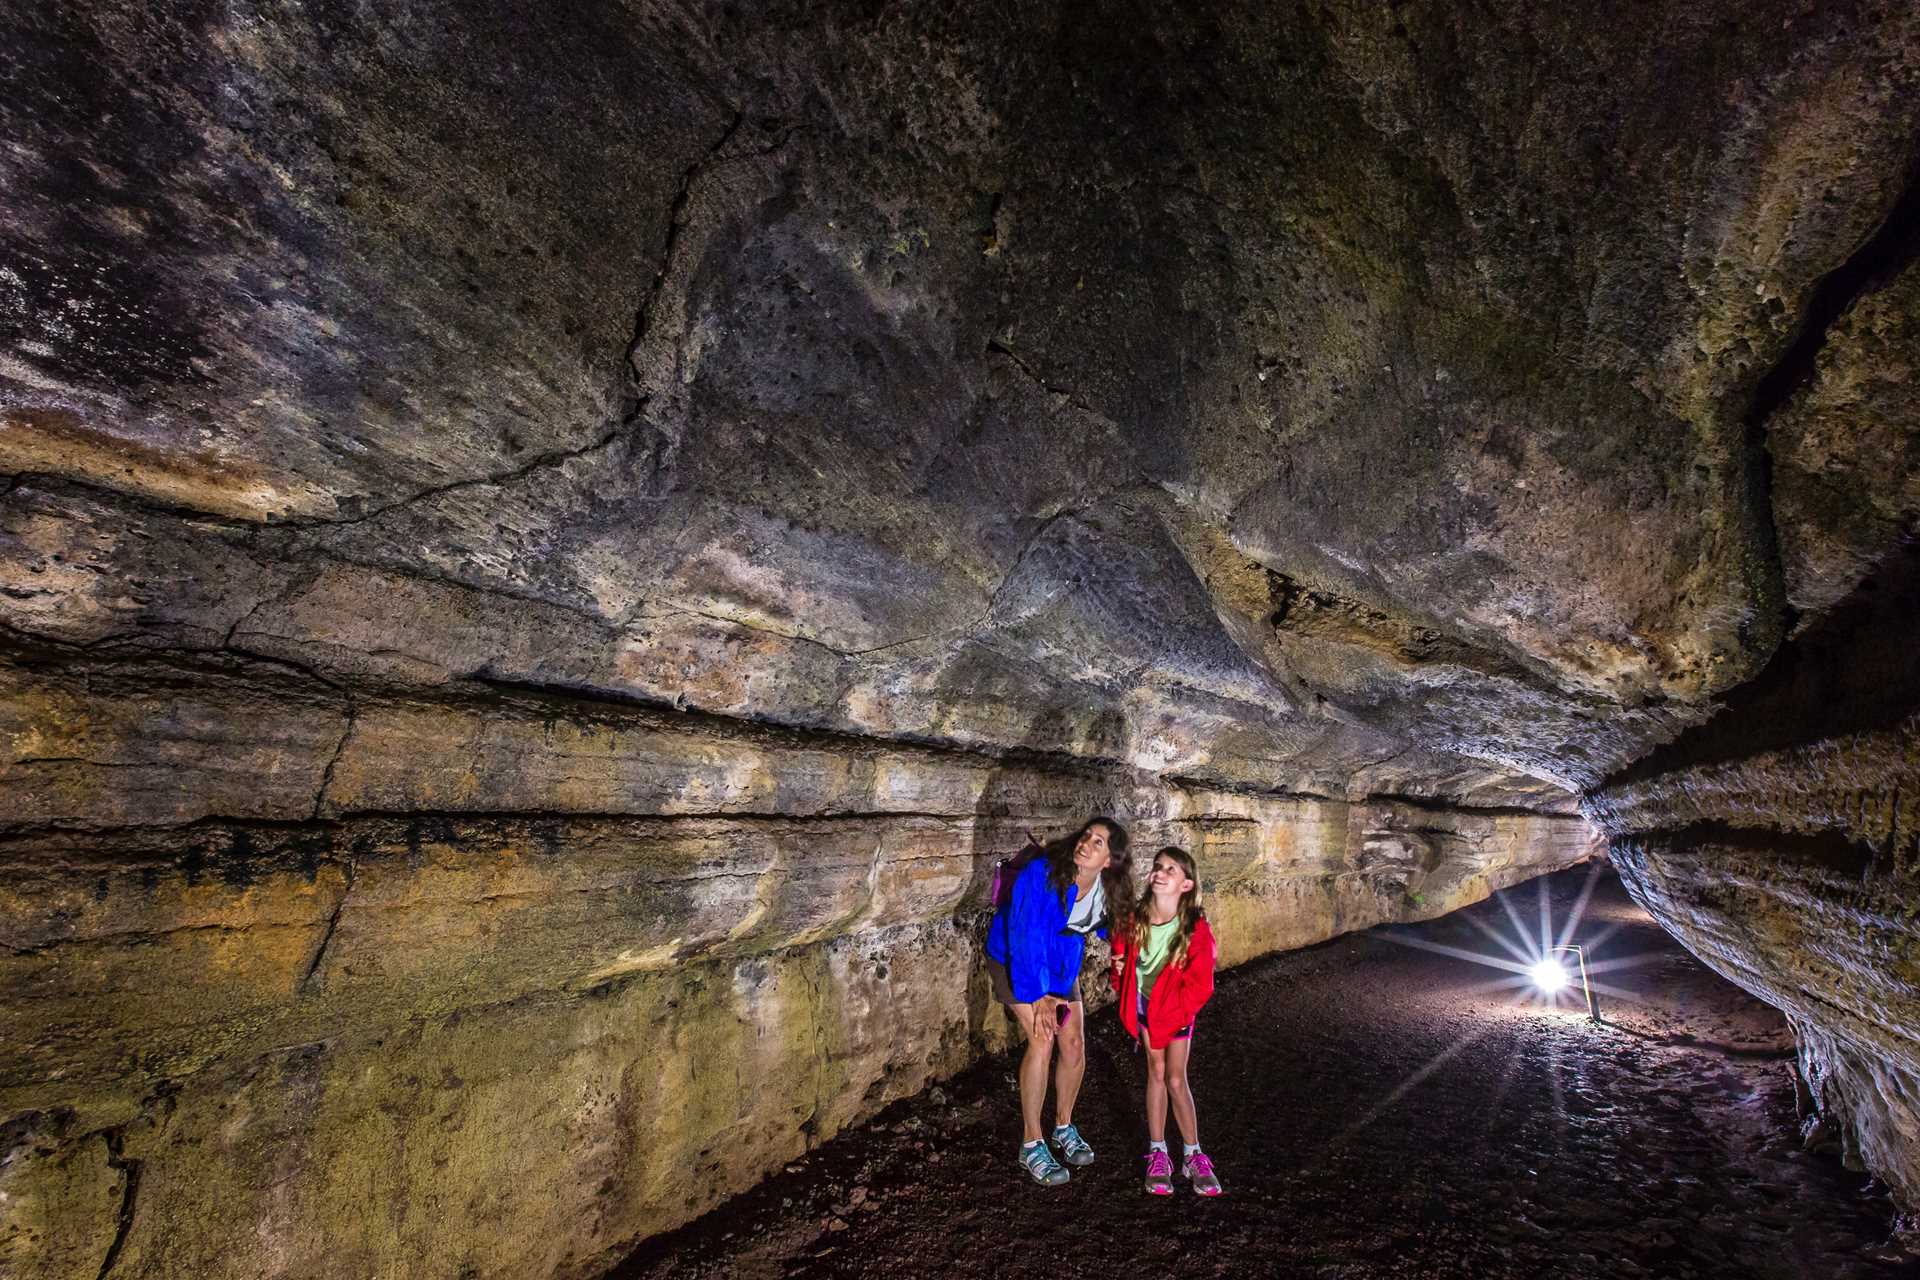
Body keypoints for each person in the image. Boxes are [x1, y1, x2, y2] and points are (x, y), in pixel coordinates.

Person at [984, 816, 1133, 1185]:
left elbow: (1110, 924)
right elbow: (1025, 935)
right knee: (1042, 1039)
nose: (1086, 843)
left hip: (1060, 965)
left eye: (1098, 843)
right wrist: (1041, 996)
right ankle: (1032, 1143)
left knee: (1075, 1043)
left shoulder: (1103, 889)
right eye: (1087, 836)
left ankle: (1063, 1127)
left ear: (1110, 860)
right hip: (1015, 959)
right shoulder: (1043, 873)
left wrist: (1124, 951)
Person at [1110, 845, 1221, 1196]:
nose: (1160, 872)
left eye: (1171, 869)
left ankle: (1193, 1154)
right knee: (1156, 1073)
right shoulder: (1135, 919)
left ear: (1186, 885)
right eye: (1158, 866)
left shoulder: (1195, 928)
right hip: (1146, 1008)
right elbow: (1120, 958)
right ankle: (1158, 1152)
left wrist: (1176, 1010)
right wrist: (1119, 977)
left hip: (1175, 1011)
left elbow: (1202, 983)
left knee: (1176, 1078)